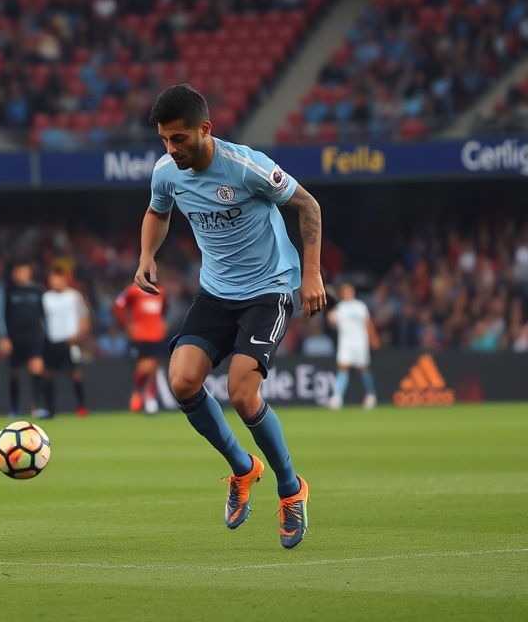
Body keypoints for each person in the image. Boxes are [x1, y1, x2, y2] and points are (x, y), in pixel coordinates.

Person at [134, 83, 325, 550]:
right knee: (181, 382)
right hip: (217, 293)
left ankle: (290, 488)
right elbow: (157, 211)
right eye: (163, 139)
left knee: (242, 391)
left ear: (205, 129)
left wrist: (312, 275)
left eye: (178, 138)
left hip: (269, 289)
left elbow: (308, 205)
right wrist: (146, 255)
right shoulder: (166, 172)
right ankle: (243, 469)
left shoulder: (246, 167)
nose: (170, 148)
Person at [0, 256, 47, 417]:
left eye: (24, 270)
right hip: (14, 338)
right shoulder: (8, 291)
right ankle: (14, 408)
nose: (21, 273)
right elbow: (0, 315)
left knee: (37, 369)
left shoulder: (38, 291)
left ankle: (36, 407)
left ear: (29, 272)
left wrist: (46, 335)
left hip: (34, 336)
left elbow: (44, 315)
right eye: (18, 270)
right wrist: (4, 337)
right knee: (15, 372)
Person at [40, 263, 91, 418]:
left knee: (75, 374)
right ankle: (50, 409)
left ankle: (81, 407)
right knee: (48, 375)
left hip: (70, 342)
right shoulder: (45, 298)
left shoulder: (74, 296)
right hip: (52, 342)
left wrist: (78, 336)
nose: (54, 282)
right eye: (52, 279)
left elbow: (84, 317)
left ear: (64, 279)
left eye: (57, 278)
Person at [114, 280, 167, 415]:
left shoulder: (161, 291)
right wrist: (128, 325)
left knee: (153, 366)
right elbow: (118, 305)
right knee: (144, 367)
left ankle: (147, 397)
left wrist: (162, 323)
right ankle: (140, 393)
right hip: (140, 335)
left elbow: (164, 309)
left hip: (157, 335)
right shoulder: (133, 290)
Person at [326, 283, 380, 409]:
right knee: (343, 368)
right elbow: (331, 322)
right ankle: (337, 398)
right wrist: (331, 310)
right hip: (346, 344)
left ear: (353, 292)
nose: (347, 293)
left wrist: (374, 339)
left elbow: (368, 324)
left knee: (363, 368)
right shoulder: (340, 308)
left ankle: (371, 395)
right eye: (344, 291)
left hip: (360, 343)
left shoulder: (360, 306)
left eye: (348, 291)